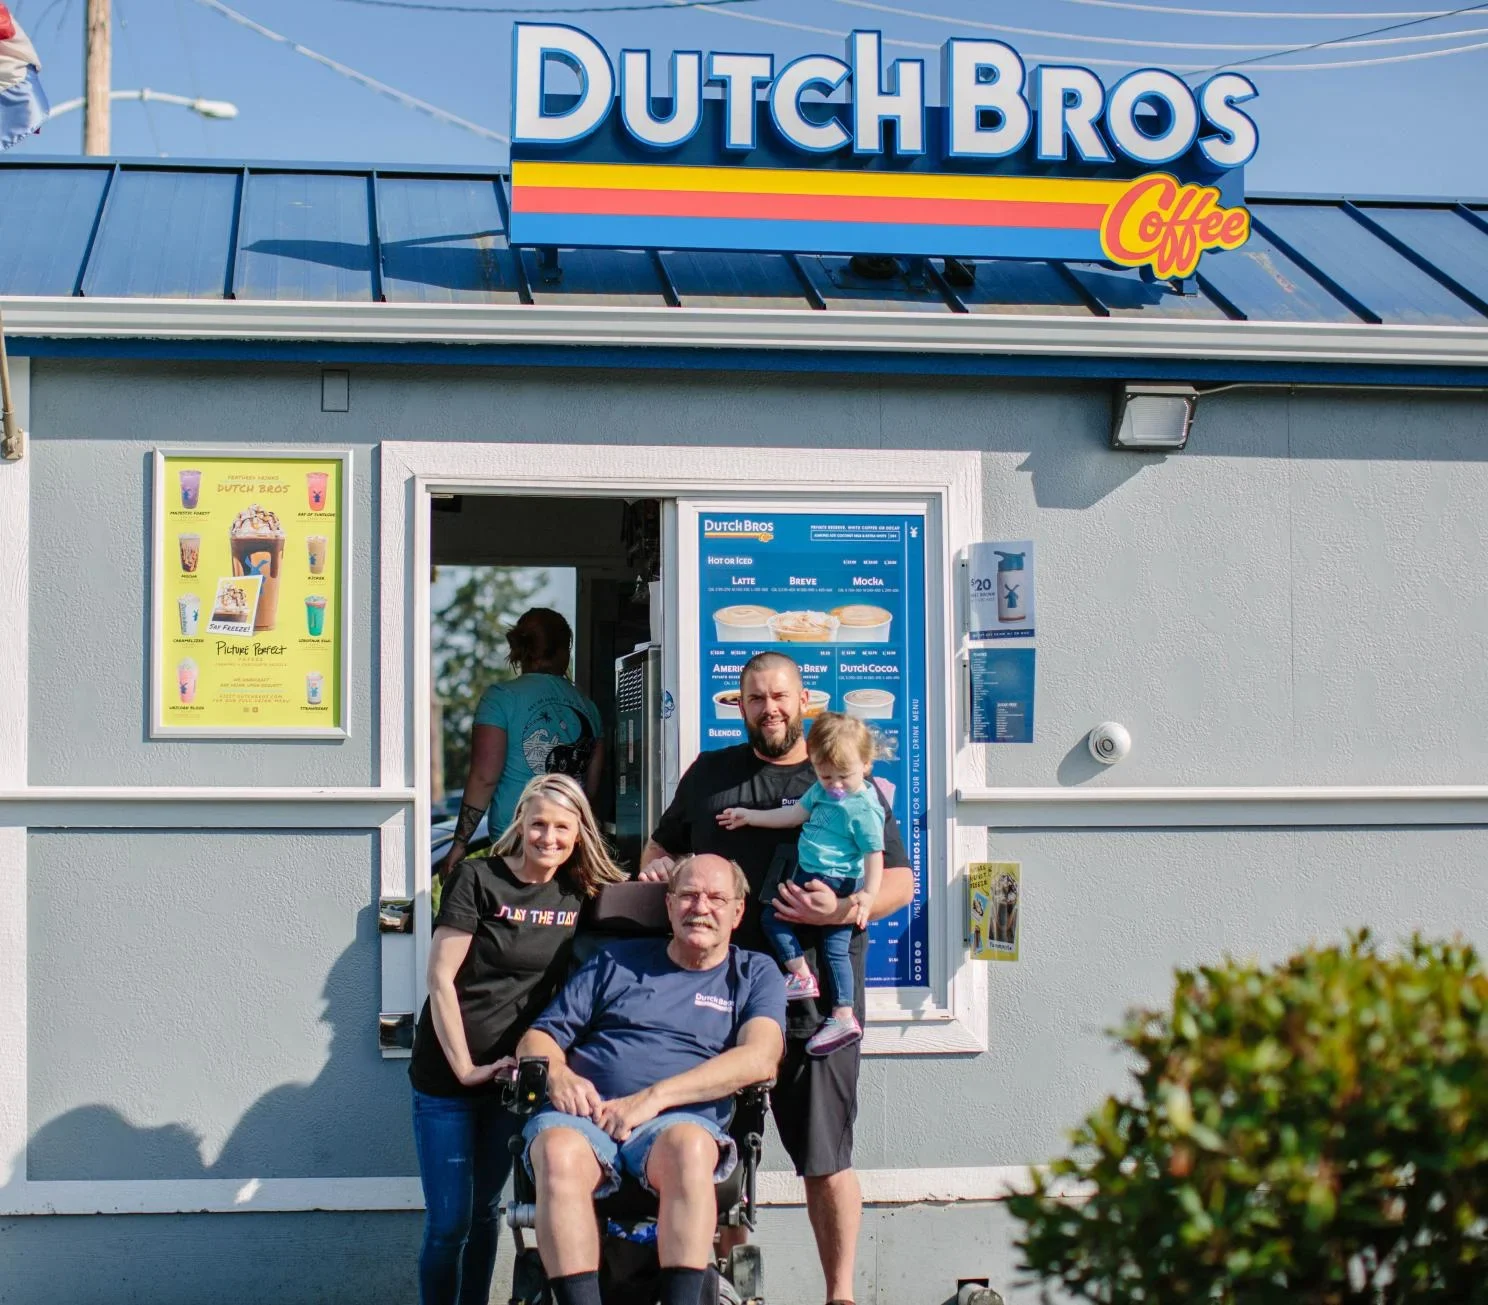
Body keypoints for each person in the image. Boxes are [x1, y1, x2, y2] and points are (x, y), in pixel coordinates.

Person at [639, 652, 915, 1305]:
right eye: (757, 697)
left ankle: (840, 1295)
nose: (771, 708)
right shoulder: (711, 775)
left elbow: (900, 881)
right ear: (740, 704)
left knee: (825, 1156)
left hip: (815, 997)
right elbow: (658, 849)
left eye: (782, 696)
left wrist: (846, 908)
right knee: (712, 1152)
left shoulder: (843, 777)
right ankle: (730, 1291)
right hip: (714, 997)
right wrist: (658, 870)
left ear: (804, 700)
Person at [515, 853, 787, 1305]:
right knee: (556, 1149)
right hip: (589, 1117)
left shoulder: (753, 972)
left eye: (717, 898)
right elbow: (537, 1039)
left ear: (738, 912)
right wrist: (558, 1075)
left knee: (689, 1148)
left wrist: (651, 1100)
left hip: (678, 1124)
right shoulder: (614, 961)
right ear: (668, 905)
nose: (701, 907)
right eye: (689, 895)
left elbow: (760, 1058)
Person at [409, 773, 626, 1305]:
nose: (548, 837)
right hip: (448, 1077)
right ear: (520, 825)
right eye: (538, 824)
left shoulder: (580, 893)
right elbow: (439, 979)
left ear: (580, 833)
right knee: (448, 1222)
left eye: (561, 827)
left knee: (486, 1213)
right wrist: (464, 1068)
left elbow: (647, 906)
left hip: (514, 1080)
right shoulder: (478, 879)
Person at [718, 711, 884, 1056]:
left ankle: (839, 1010)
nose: (835, 786)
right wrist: (750, 817)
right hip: (810, 873)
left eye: (844, 777)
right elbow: (793, 816)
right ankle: (806, 979)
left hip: (837, 881)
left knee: (829, 945)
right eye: (826, 776)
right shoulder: (820, 791)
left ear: (866, 765)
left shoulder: (864, 807)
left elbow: (874, 854)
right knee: (779, 921)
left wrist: (866, 896)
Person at [442, 607, 604, 876]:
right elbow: (591, 788)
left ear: (519, 649)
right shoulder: (588, 707)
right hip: (567, 846)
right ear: (564, 651)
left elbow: (484, 777)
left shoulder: (500, 698)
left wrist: (461, 843)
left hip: (515, 842)